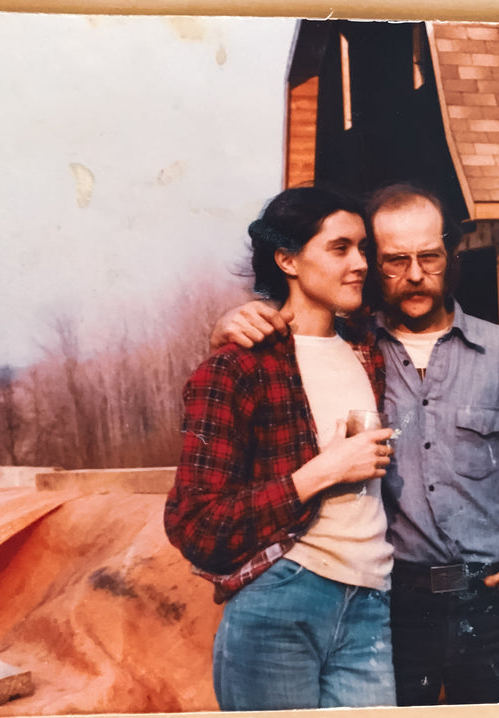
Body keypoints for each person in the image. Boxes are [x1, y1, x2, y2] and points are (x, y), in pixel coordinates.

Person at [212, 183, 499, 706]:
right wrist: (230, 324)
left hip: (490, 599)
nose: (414, 275)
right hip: (392, 605)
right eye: (394, 261)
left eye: (429, 257)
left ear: (450, 255)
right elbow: (293, 340)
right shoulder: (356, 351)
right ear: (373, 263)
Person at [163, 186, 397, 711]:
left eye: (362, 249)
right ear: (287, 259)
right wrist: (321, 472)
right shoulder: (236, 368)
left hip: (370, 602)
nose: (360, 263)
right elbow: (195, 525)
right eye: (340, 249)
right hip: (283, 597)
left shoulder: (369, 352)